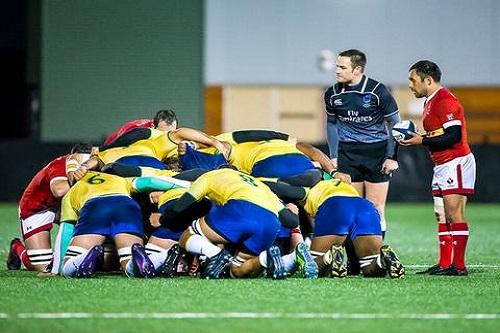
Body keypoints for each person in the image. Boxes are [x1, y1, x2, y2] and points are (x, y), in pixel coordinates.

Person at [159, 168, 308, 279]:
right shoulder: (260, 185)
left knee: (187, 236)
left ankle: (215, 254)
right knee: (236, 270)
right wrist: (291, 211)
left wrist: (163, 220)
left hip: (241, 209)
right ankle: (265, 258)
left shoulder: (210, 176)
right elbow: (291, 221)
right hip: (271, 223)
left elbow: (180, 206)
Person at [401, 60, 475, 276]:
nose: (410, 85)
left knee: (454, 213)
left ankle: (458, 267)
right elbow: (439, 133)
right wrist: (421, 138)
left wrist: (420, 141)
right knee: (441, 214)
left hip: (456, 161)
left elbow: (453, 136)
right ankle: (444, 263)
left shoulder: (445, 101)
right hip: (442, 164)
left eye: (412, 80)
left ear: (428, 80)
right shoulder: (430, 101)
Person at [324, 49, 400, 236]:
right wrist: (333, 155)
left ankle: (375, 256)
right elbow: (332, 124)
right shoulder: (332, 94)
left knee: (375, 207)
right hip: (348, 154)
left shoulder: (377, 91)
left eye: (343, 67)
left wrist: (392, 156)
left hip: (377, 153)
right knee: (352, 207)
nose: (337, 71)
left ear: (358, 69)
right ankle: (354, 258)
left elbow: (396, 123)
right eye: (337, 67)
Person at [6, 143, 93, 272]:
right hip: (36, 208)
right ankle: (17, 248)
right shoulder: (59, 164)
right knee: (43, 266)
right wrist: (85, 178)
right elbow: (58, 190)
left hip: (62, 206)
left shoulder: (95, 164)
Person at [102, 109, 178, 145]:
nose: (167, 137)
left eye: (171, 133)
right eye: (162, 133)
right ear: (152, 126)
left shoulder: (171, 131)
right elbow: (116, 145)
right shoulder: (134, 128)